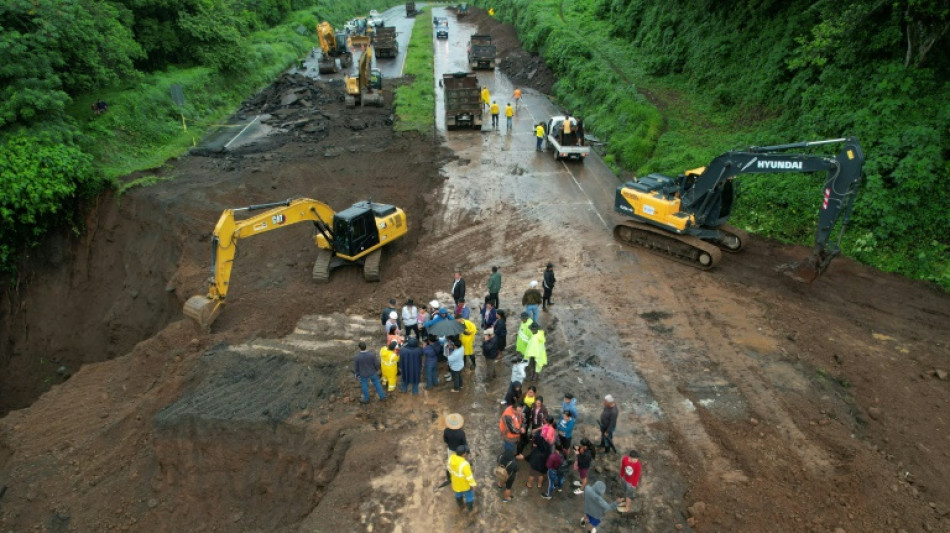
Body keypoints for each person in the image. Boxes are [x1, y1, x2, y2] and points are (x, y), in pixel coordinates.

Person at [448, 445, 478, 513]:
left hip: (455, 482)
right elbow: (469, 477)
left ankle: (461, 505)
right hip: (465, 484)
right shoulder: (465, 464)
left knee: (458, 494)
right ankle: (470, 509)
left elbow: (449, 469)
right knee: (469, 496)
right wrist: (473, 484)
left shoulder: (451, 458)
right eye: (466, 453)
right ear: (464, 454)